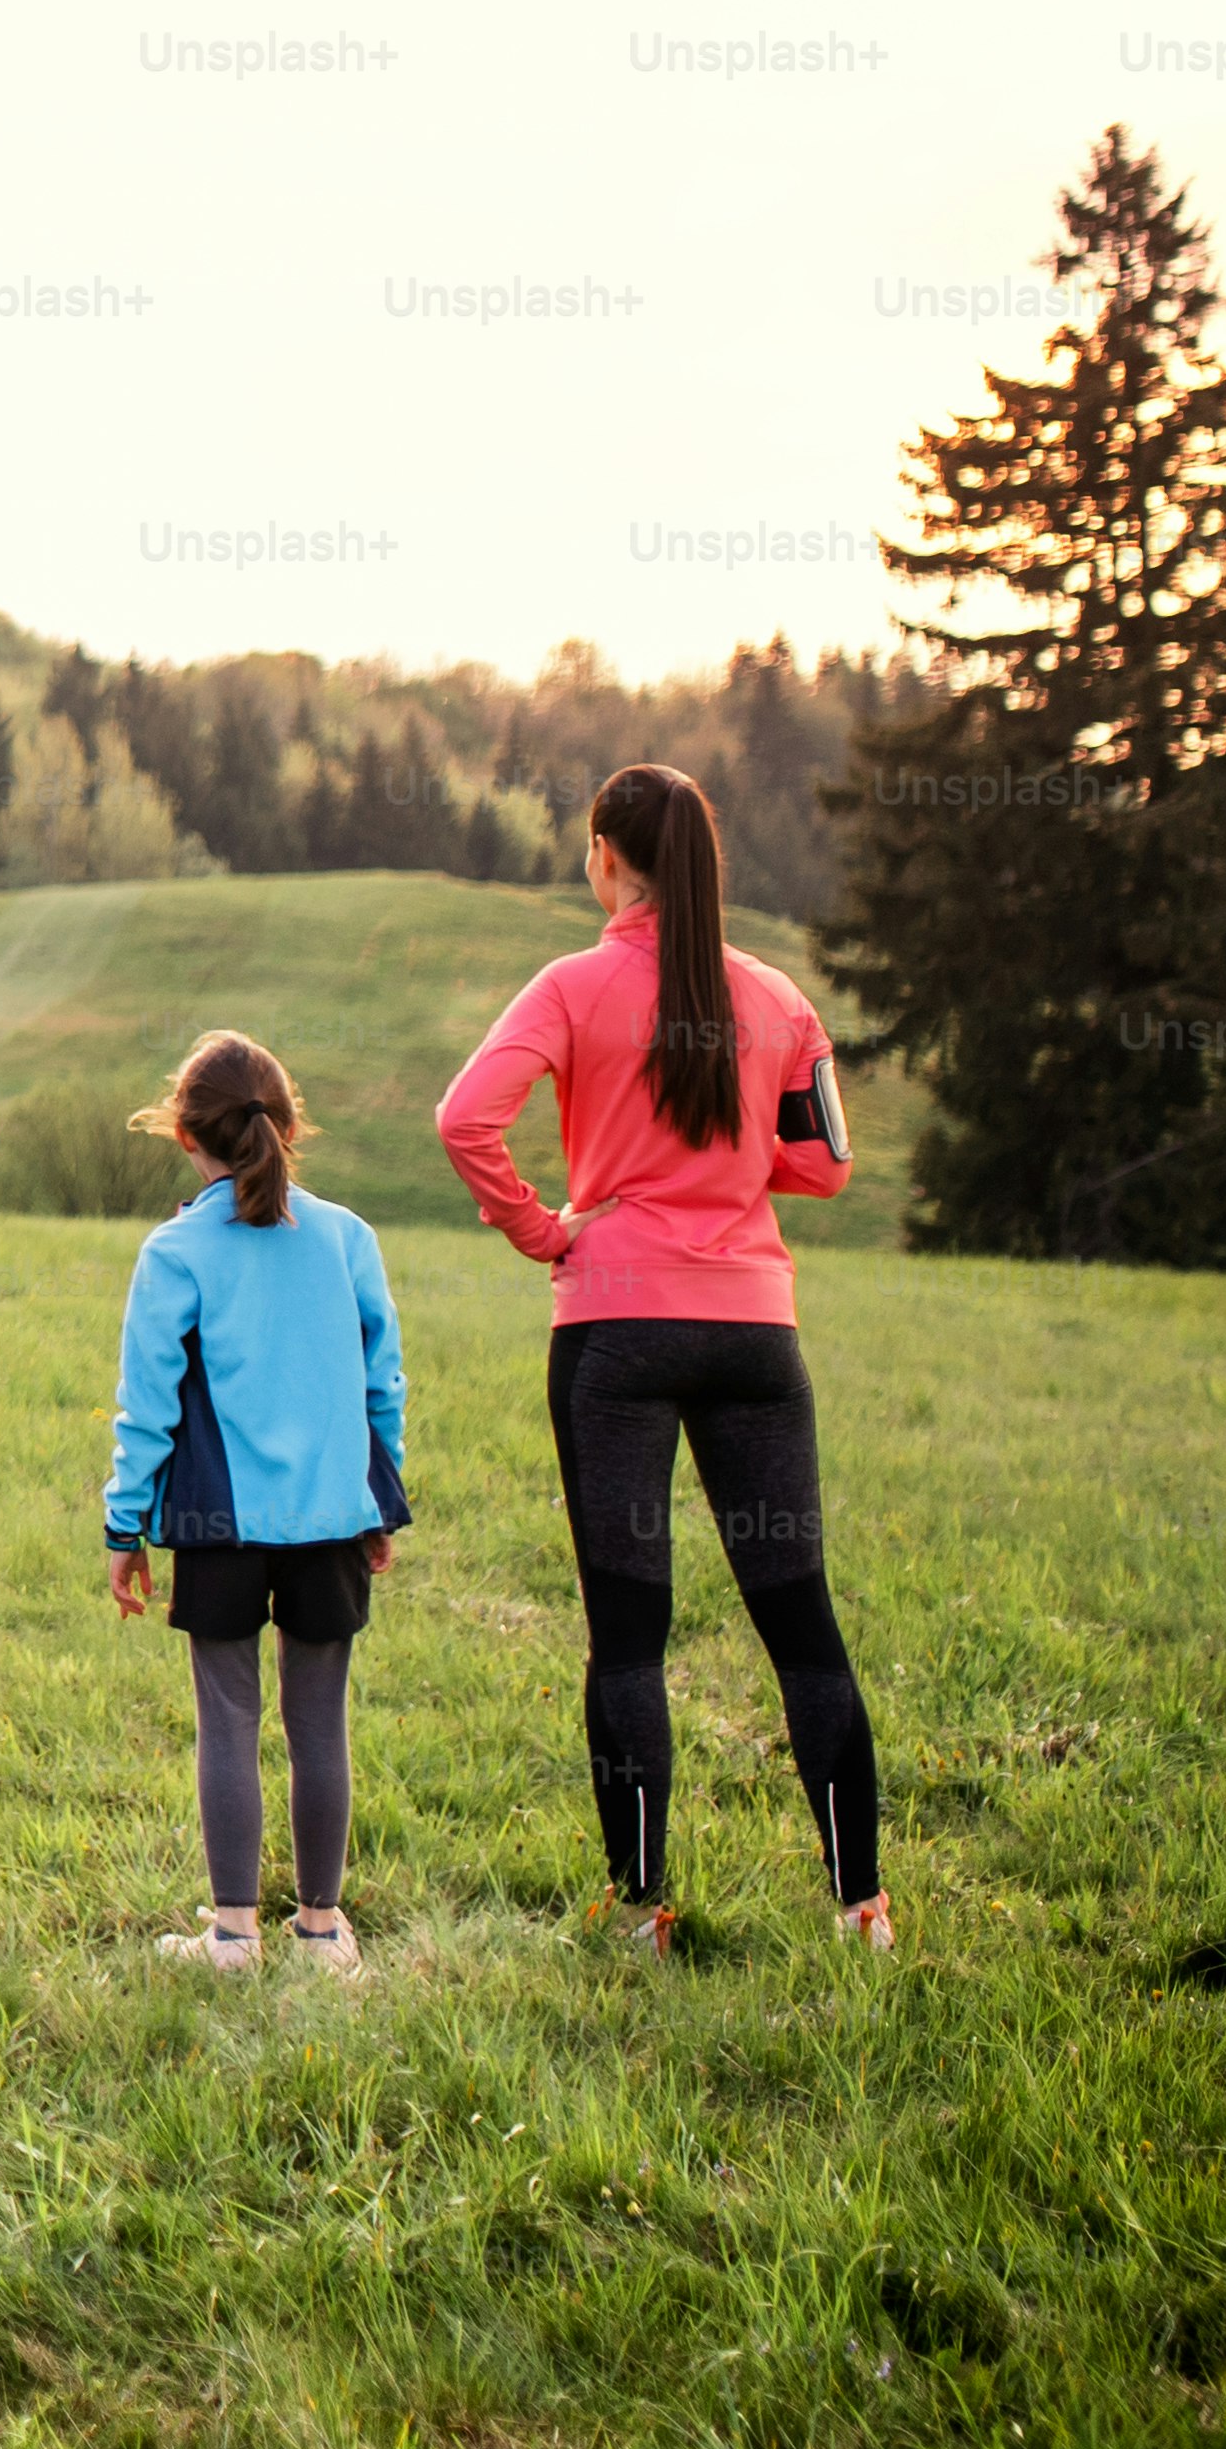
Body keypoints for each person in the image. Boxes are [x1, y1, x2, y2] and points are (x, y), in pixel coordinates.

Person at [437, 762, 889, 1952]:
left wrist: (542, 1226)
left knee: (628, 1635)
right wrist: (734, 1163)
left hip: (615, 1327)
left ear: (603, 857)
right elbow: (829, 1163)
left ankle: (639, 1904)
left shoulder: (569, 983)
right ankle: (861, 1904)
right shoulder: (777, 997)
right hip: (753, 1331)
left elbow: (462, 1117)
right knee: (803, 1628)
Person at [99, 1031, 408, 1974]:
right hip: (330, 1526)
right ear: (287, 1125)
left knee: (227, 1720)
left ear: (187, 1135)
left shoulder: (175, 1249)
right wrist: (379, 1502)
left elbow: (146, 1408)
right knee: (321, 1725)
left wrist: (125, 1526)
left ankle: (232, 1936)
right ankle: (321, 1933)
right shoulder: (348, 1236)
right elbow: (381, 1383)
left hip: (220, 1529)